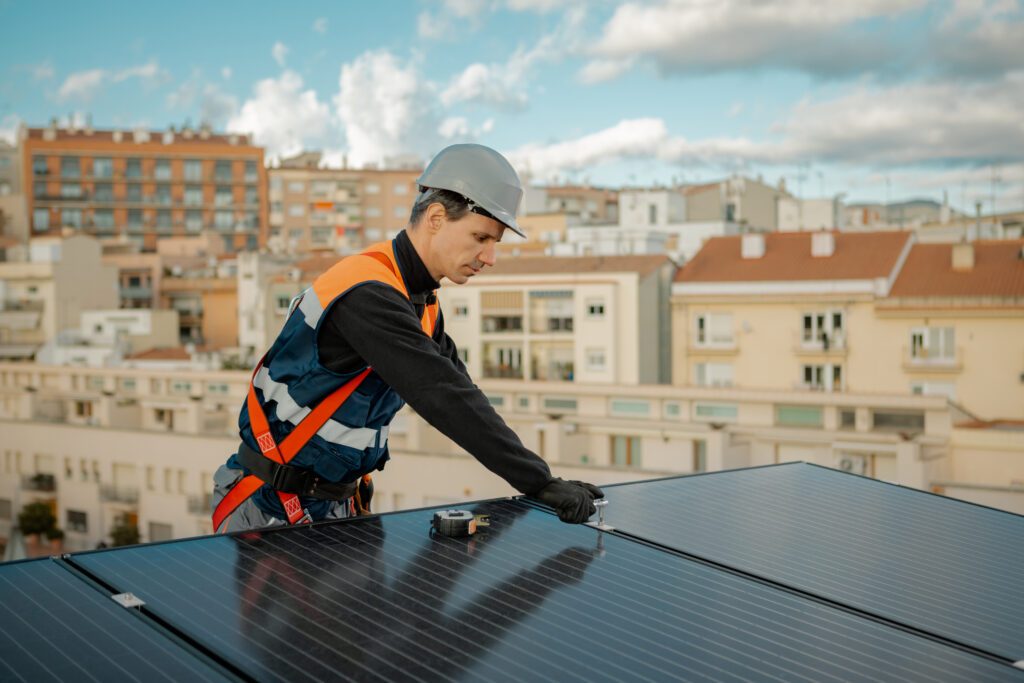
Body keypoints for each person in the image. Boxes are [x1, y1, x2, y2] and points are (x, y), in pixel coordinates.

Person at [212, 143, 604, 533]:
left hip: (334, 505)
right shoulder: (367, 294)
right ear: (436, 217)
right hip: (273, 507)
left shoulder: (420, 302)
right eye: (481, 238)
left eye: (494, 243)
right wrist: (539, 482)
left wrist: (546, 480)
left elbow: (463, 392)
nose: (490, 257)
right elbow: (443, 398)